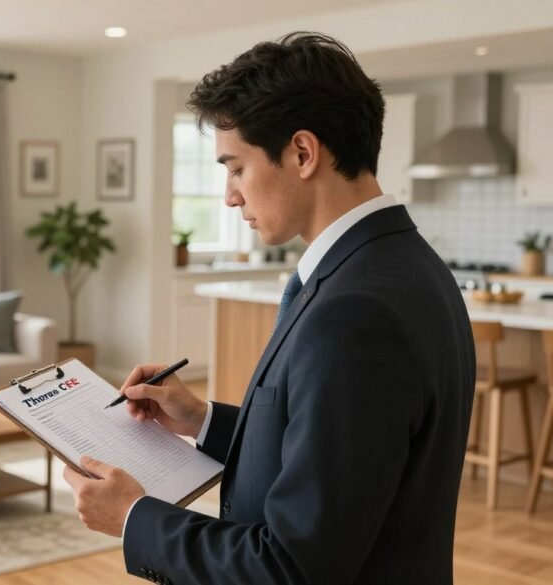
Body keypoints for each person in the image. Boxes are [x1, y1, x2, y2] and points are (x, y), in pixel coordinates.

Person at [62, 32, 475, 585]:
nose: (229, 196)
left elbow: (294, 567)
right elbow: (337, 463)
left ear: (303, 153)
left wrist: (134, 517)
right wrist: (202, 420)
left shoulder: (354, 312)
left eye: (235, 168)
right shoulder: (403, 263)